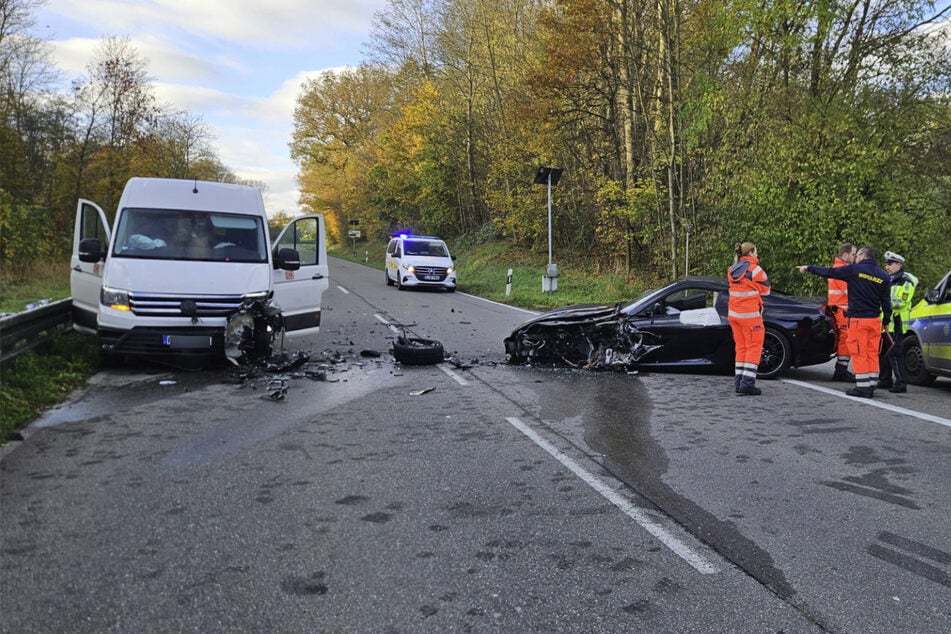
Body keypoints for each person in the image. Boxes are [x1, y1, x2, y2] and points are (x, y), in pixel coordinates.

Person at [798, 246, 891, 398]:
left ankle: (862, 387)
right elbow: (887, 303)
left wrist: (809, 268)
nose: (855, 258)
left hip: (858, 320)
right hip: (875, 320)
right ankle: (871, 384)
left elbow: (829, 272)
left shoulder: (854, 270)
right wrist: (886, 320)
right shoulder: (883, 276)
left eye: (857, 255)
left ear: (862, 255)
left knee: (859, 352)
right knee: (872, 353)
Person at [728, 242, 771, 396]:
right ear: (751, 252)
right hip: (750, 316)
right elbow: (766, 291)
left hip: (734, 315)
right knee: (753, 348)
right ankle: (747, 383)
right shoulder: (756, 270)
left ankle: (739, 381)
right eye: (756, 251)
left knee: (741, 348)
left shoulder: (732, 269)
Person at [877, 251, 918, 393]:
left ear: (898, 265)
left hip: (898, 324)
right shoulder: (887, 280)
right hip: (886, 323)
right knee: (883, 353)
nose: (887, 267)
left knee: (894, 354)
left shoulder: (906, 281)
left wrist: (883, 300)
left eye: (890, 264)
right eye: (886, 264)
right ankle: (884, 380)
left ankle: (901, 383)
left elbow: (901, 302)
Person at [828, 244, 856, 382]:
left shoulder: (839, 269)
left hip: (840, 309)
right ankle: (841, 371)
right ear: (845, 255)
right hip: (842, 310)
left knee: (845, 340)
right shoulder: (841, 270)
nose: (855, 257)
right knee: (845, 340)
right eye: (853, 254)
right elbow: (850, 291)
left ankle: (841, 370)